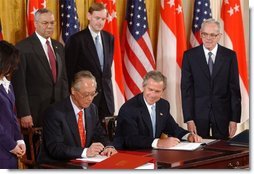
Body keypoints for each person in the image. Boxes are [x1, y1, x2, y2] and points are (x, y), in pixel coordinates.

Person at [37, 70, 117, 163]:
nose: (90, 99)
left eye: (93, 94)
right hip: (58, 164)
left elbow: (99, 134)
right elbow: (56, 148)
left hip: (82, 163)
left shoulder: (92, 109)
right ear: (73, 91)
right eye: (86, 94)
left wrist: (108, 146)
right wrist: (85, 152)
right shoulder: (55, 112)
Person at [181, 18, 241, 139]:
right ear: (201, 34)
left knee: (223, 151)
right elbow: (186, 90)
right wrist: (189, 119)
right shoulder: (189, 56)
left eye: (213, 35)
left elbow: (234, 89)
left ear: (219, 36)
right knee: (199, 153)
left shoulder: (229, 56)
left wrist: (234, 119)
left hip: (223, 115)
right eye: (205, 34)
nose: (208, 38)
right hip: (198, 115)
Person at [113, 70, 202, 149]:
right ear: (143, 87)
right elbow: (131, 139)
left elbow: (173, 128)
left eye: (157, 91)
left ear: (163, 91)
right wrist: (159, 142)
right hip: (130, 154)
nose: (153, 94)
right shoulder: (129, 108)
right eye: (150, 89)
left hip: (152, 153)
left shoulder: (163, 105)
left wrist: (188, 136)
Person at [12, 8, 69, 128]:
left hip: (59, 110)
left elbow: (63, 80)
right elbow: (19, 84)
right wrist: (24, 112)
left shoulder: (59, 46)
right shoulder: (23, 48)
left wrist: (67, 106)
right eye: (45, 23)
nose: (49, 26)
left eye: (52, 23)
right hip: (35, 112)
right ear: (35, 24)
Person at [65, 2, 114, 123]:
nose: (100, 22)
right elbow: (69, 70)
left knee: (106, 135)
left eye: (103, 19)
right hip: (84, 98)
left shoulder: (109, 38)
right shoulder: (76, 39)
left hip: (106, 98)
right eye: (97, 18)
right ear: (89, 16)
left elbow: (106, 70)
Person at [0, 40, 26, 169]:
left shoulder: (7, 83)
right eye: (10, 63)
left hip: (10, 152)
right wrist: (11, 145)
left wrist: (19, 139)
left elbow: (12, 115)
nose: (12, 67)